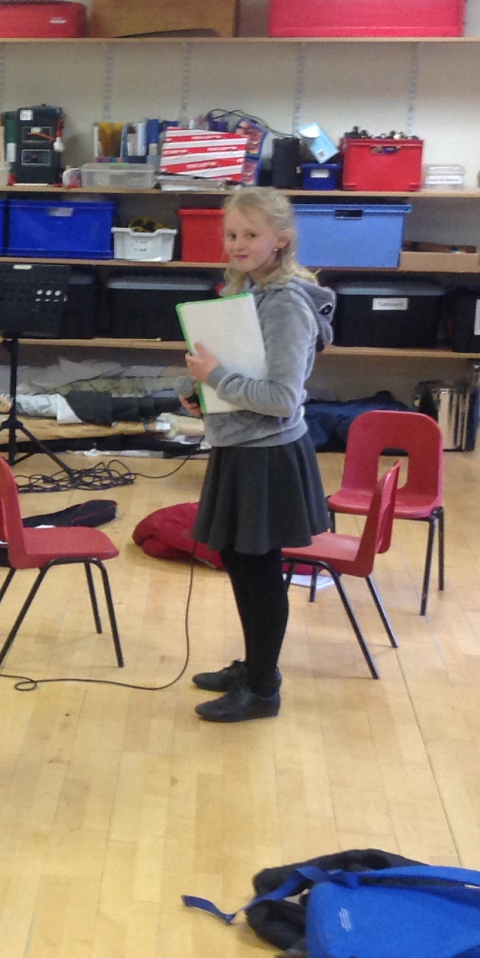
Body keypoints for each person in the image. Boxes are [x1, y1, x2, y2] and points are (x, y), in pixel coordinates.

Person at [180, 187, 336, 724]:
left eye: (251, 234)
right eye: (231, 234)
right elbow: (236, 370)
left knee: (259, 571)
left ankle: (264, 689)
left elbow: (282, 398)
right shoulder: (245, 290)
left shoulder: (287, 304)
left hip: (267, 456)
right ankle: (254, 666)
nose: (237, 244)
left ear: (281, 241)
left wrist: (218, 378)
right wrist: (199, 391)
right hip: (238, 446)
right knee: (240, 564)